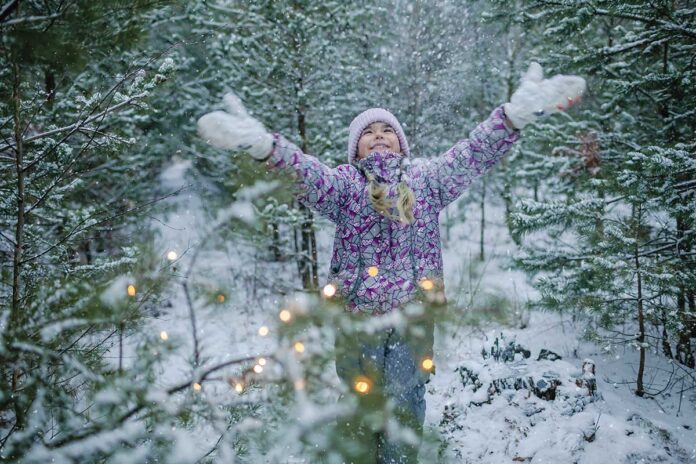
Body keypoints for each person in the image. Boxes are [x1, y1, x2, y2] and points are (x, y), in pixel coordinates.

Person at [197, 62, 586, 463]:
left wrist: (510, 119)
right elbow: (307, 176)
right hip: (356, 321)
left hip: (414, 320)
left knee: (406, 403)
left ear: (401, 144)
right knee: (358, 407)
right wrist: (267, 147)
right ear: (355, 148)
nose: (378, 136)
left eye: (387, 131)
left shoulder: (427, 181)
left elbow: (473, 154)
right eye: (368, 132)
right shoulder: (346, 186)